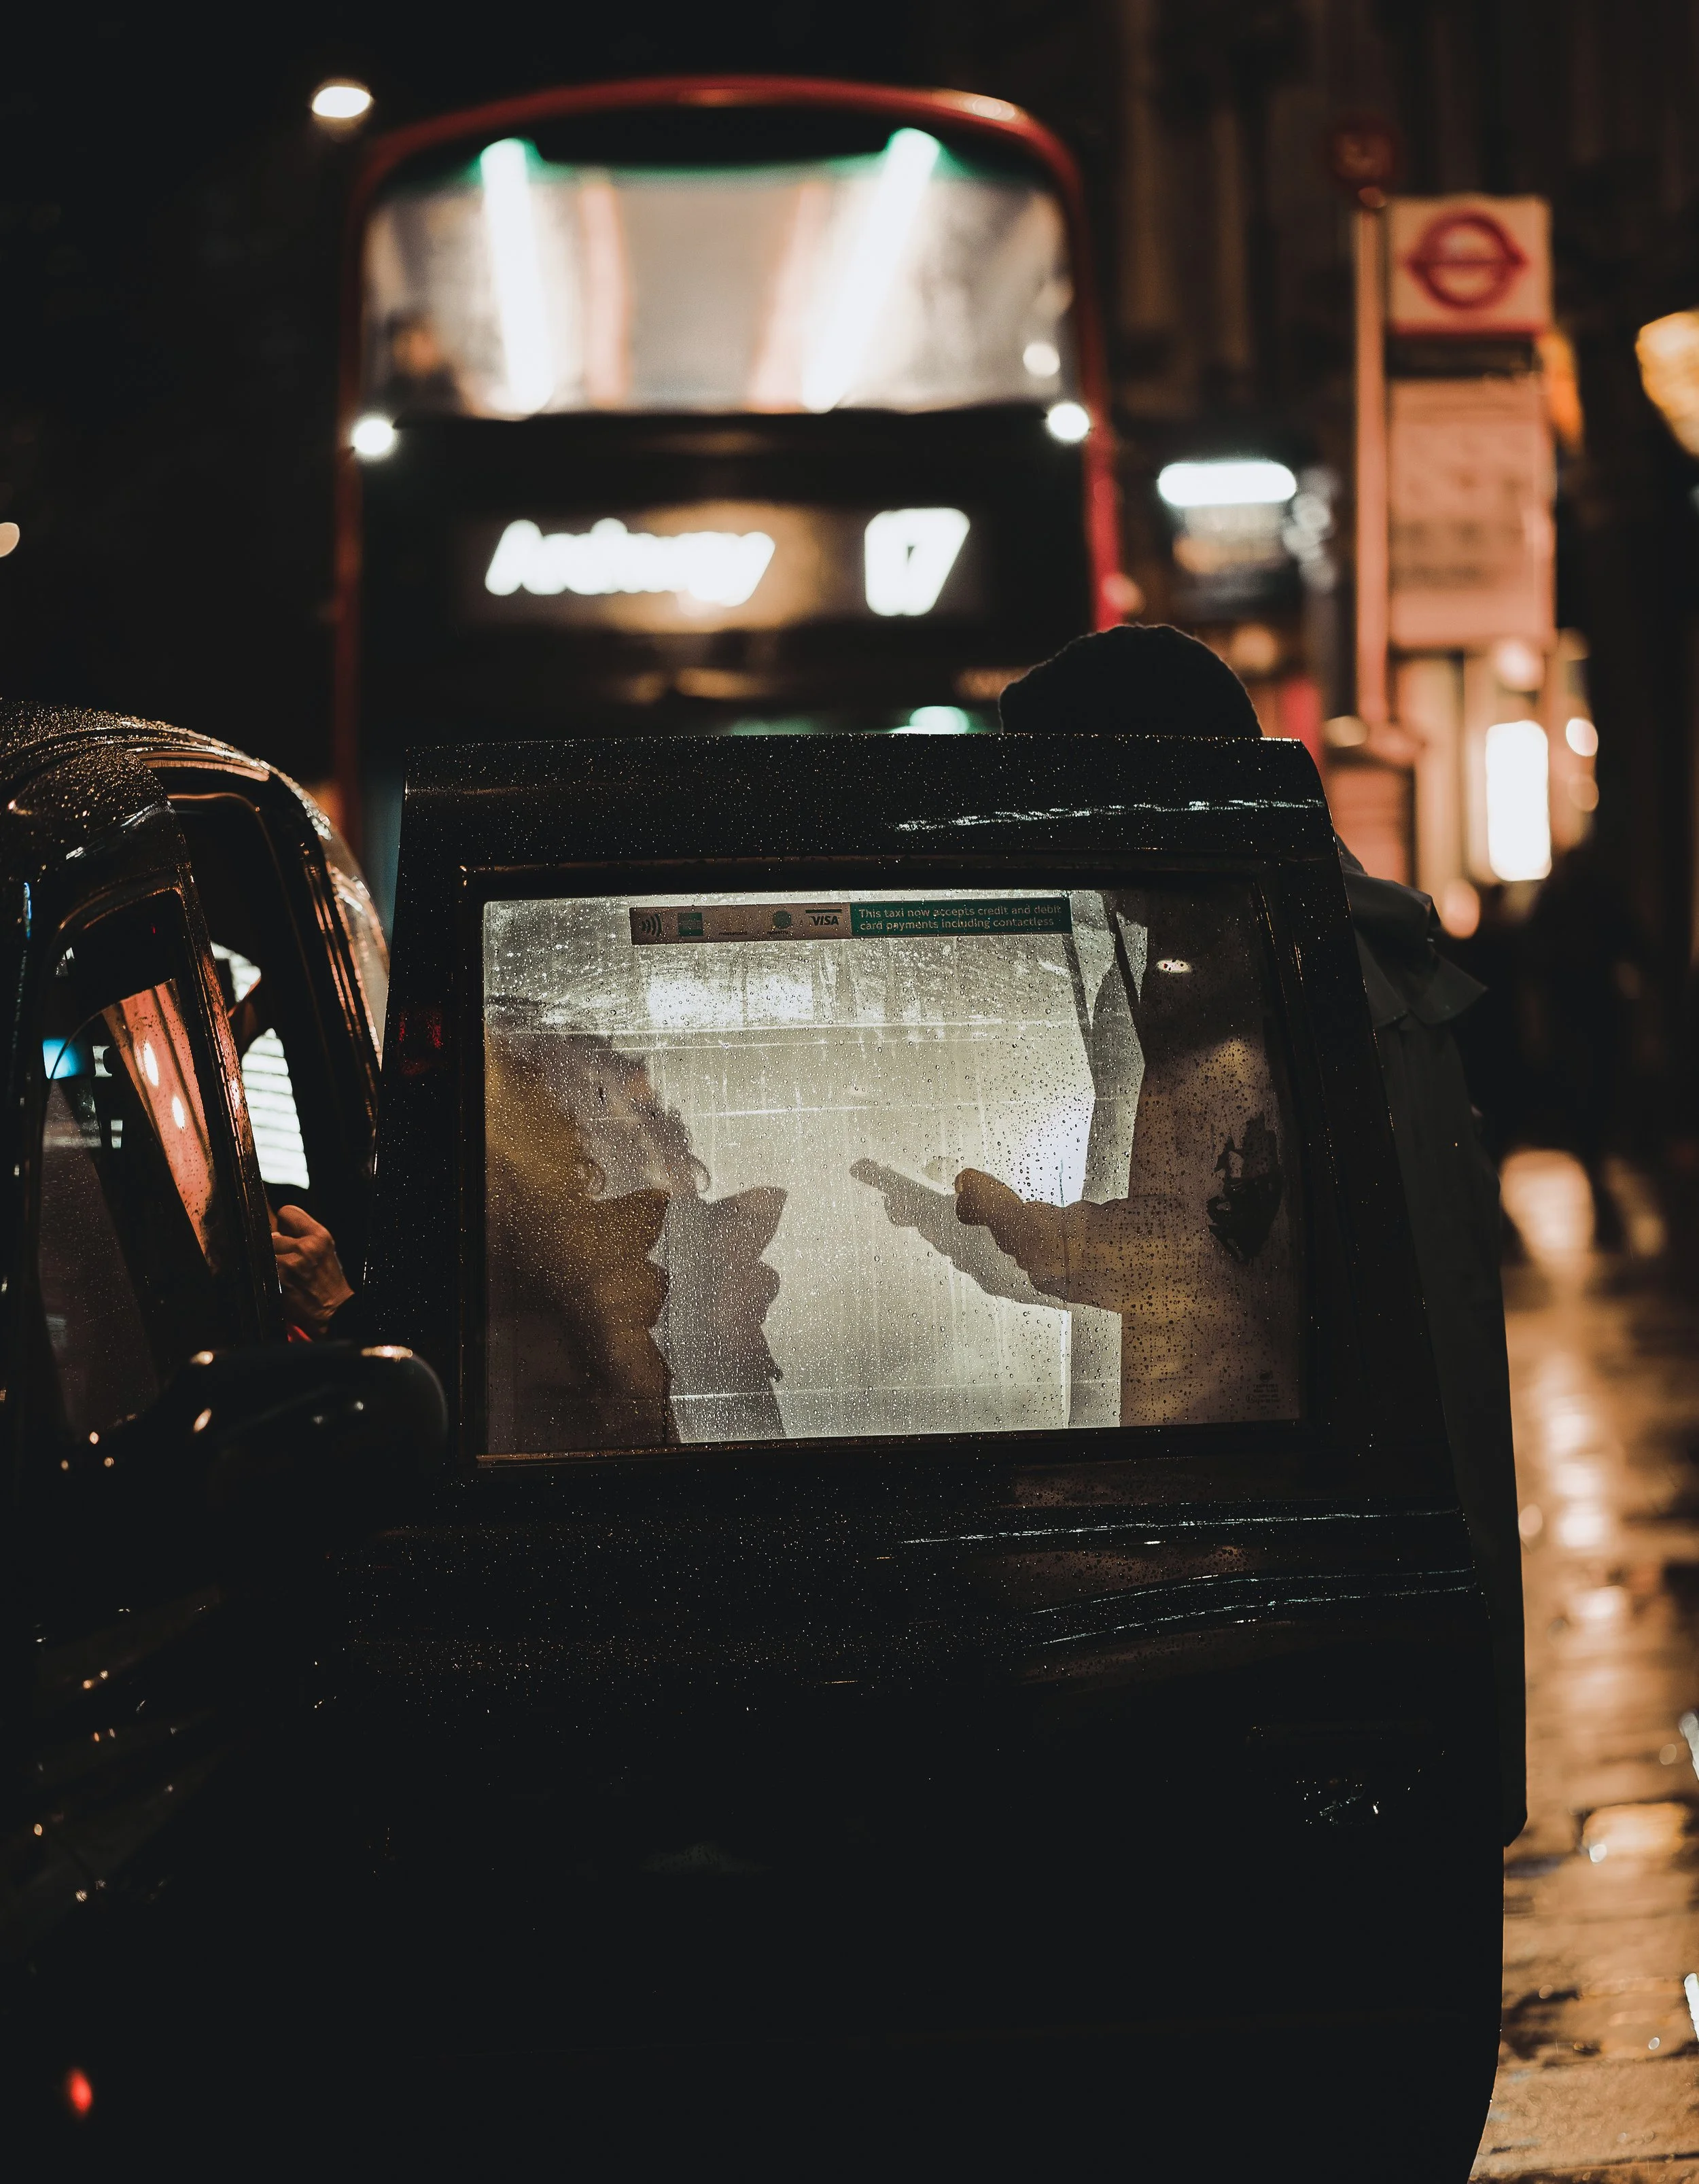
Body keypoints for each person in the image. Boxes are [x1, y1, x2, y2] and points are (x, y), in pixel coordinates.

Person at [997, 624, 1525, 1842]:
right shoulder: (1323, 957)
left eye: (1060, 819)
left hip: (1313, 1625)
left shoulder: (1283, 1004)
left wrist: (1031, 1236)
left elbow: (1226, 1277)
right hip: (1356, 1620)